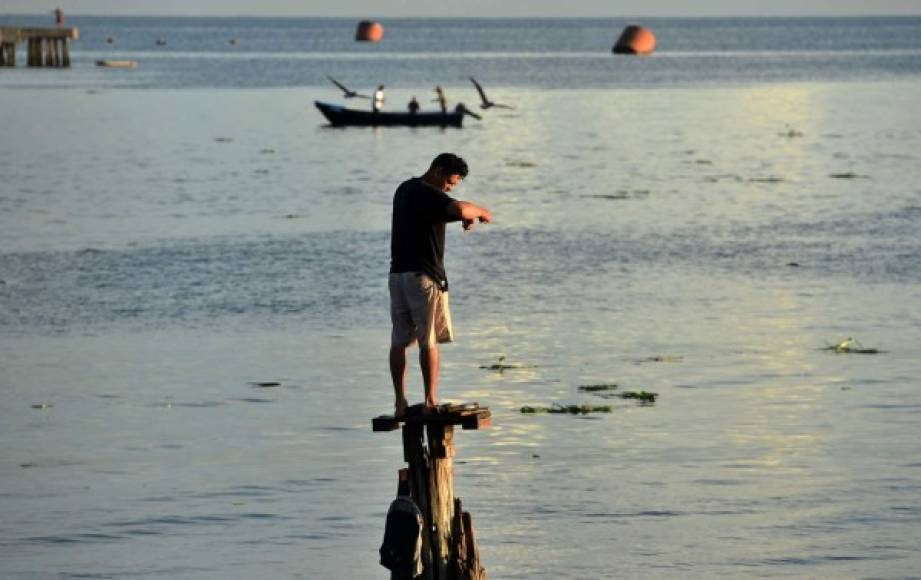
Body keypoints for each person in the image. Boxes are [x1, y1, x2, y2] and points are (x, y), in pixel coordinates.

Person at [389, 153, 492, 417]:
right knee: (428, 341)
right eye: (449, 182)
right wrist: (480, 212)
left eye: (453, 186)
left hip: (398, 275)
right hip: (424, 277)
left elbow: (445, 213)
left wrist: (463, 215)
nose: (448, 188)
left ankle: (400, 402)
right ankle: (430, 401)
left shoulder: (405, 189)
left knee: (399, 341)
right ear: (437, 170)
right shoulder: (431, 194)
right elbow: (458, 208)